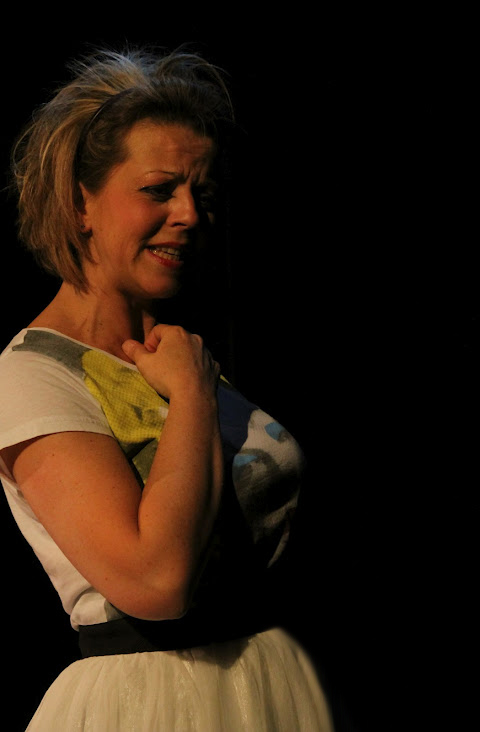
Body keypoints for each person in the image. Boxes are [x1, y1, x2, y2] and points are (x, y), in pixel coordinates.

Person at [0, 45, 334, 731]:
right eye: (159, 190)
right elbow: (156, 581)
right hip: (158, 700)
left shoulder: (178, 353)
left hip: (270, 682)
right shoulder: (35, 373)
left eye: (201, 194)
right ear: (80, 202)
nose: (189, 214)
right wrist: (191, 396)